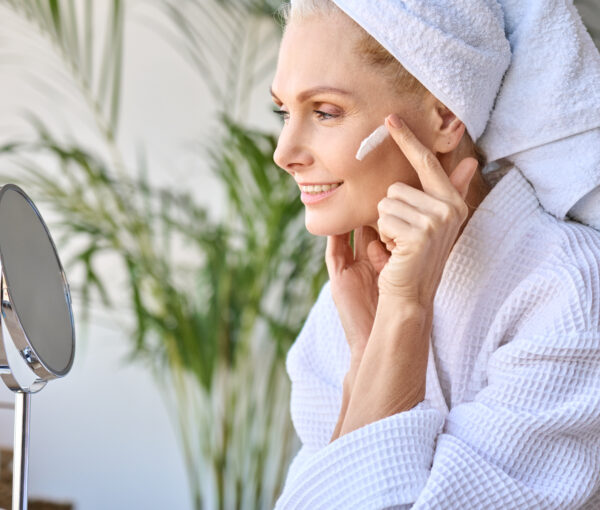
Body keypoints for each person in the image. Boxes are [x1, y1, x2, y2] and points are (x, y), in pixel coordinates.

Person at [271, 0, 600, 508]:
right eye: (283, 111)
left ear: (445, 115)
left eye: (325, 112)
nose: (284, 151)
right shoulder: (344, 308)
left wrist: (405, 314)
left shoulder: (571, 289)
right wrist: (366, 354)